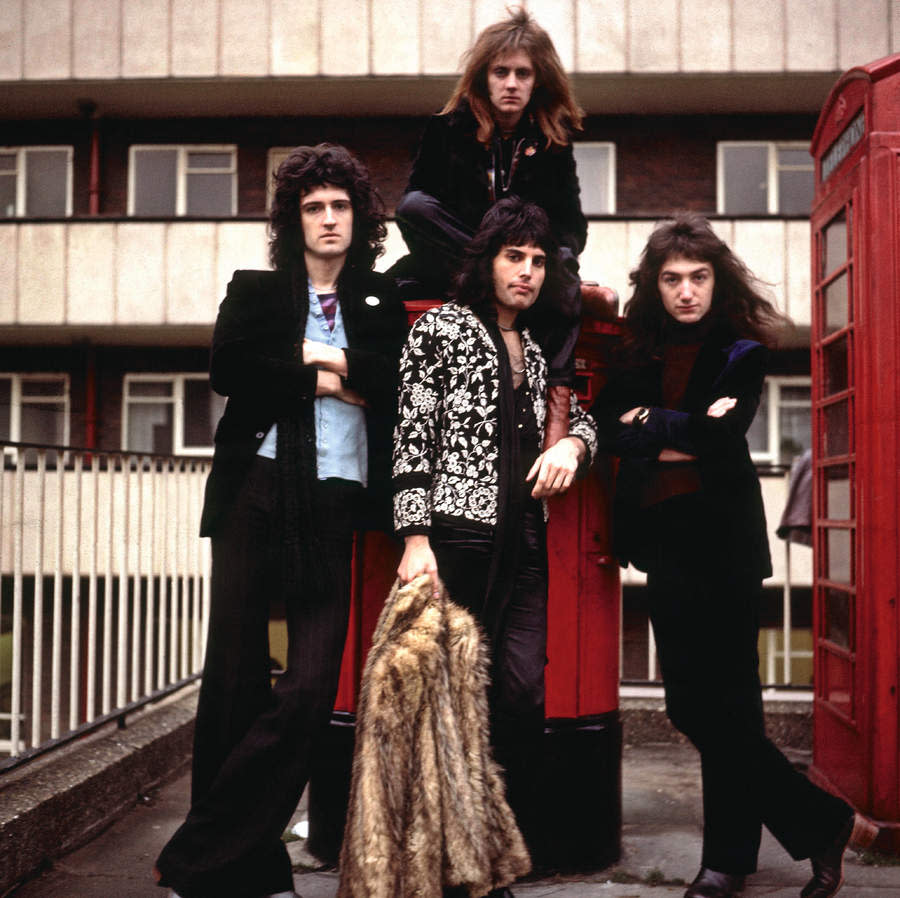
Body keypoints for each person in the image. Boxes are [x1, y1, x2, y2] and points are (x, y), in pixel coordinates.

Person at [589, 213, 877, 898]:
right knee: (693, 709)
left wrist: (650, 424)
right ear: (653, 285)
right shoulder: (635, 352)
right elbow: (608, 430)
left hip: (724, 547)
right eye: (671, 279)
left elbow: (720, 442)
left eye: (698, 278)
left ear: (717, 282)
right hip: (664, 546)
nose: (686, 291)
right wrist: (671, 428)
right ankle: (824, 822)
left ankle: (726, 864)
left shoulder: (740, 350)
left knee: (733, 710)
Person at [154, 144, 408, 898]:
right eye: (313, 207)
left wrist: (304, 363)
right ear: (293, 219)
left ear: (358, 218)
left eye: (340, 206)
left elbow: (389, 380)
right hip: (255, 489)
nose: (329, 219)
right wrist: (327, 369)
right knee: (233, 680)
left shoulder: (378, 301)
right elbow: (231, 370)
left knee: (307, 689)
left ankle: (198, 856)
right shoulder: (256, 290)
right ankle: (252, 862)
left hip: (335, 495)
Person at [393, 198, 598, 897]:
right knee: (451, 704)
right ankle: (460, 871)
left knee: (518, 694)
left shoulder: (536, 348)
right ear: (487, 261)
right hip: (457, 537)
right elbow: (411, 435)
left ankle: (485, 851)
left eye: (539, 261)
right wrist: (415, 537)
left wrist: (574, 440)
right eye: (516, 257)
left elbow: (581, 417)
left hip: (525, 544)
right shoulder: (441, 331)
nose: (529, 272)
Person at [388, 7, 594, 448]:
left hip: (525, 263)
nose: (512, 83)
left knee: (567, 275)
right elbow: (416, 211)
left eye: (523, 73)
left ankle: (557, 404)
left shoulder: (553, 141)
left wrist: (550, 260)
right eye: (501, 72)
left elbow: (571, 226)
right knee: (414, 207)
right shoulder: (446, 129)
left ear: (538, 80)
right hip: (459, 261)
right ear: (484, 76)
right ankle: (492, 269)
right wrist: (484, 258)